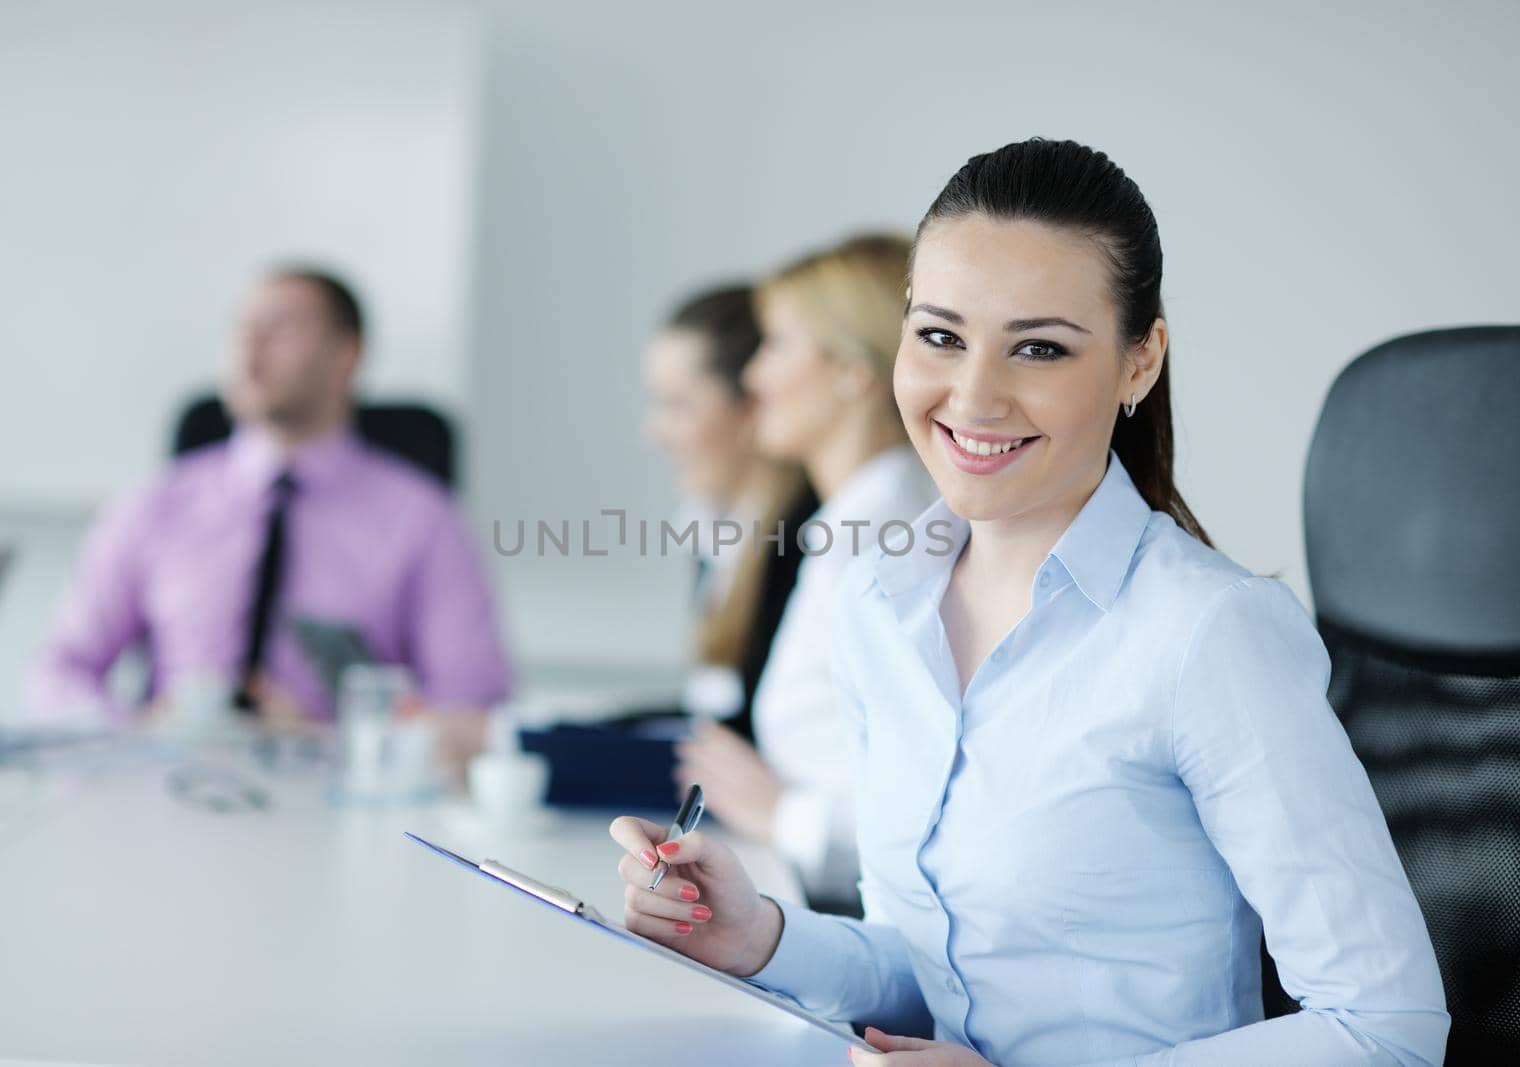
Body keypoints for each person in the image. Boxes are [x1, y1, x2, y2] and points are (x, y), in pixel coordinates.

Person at [610, 139, 1449, 1065]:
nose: (974, 396)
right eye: (940, 335)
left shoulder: (1207, 633)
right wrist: (762, 936)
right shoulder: (881, 606)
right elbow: (929, 969)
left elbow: (1387, 1029)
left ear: (1140, 363)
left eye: (1039, 348)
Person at [29, 266, 511, 766]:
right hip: (167, 788)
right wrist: (135, 730)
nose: (249, 348)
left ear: (346, 356)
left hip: (341, 798)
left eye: (282, 329)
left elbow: (476, 708)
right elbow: (60, 671)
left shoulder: (426, 521)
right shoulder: (153, 505)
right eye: (241, 328)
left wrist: (333, 739)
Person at [672, 235, 937, 914]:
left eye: (778, 345)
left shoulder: (889, 537)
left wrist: (783, 814)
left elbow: (937, 799)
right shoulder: (854, 520)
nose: (754, 378)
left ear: (853, 370)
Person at [641, 283, 818, 743]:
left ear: (752, 405)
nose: (654, 432)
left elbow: (746, 734)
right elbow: (708, 716)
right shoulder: (714, 527)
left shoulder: (807, 535)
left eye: (678, 405)